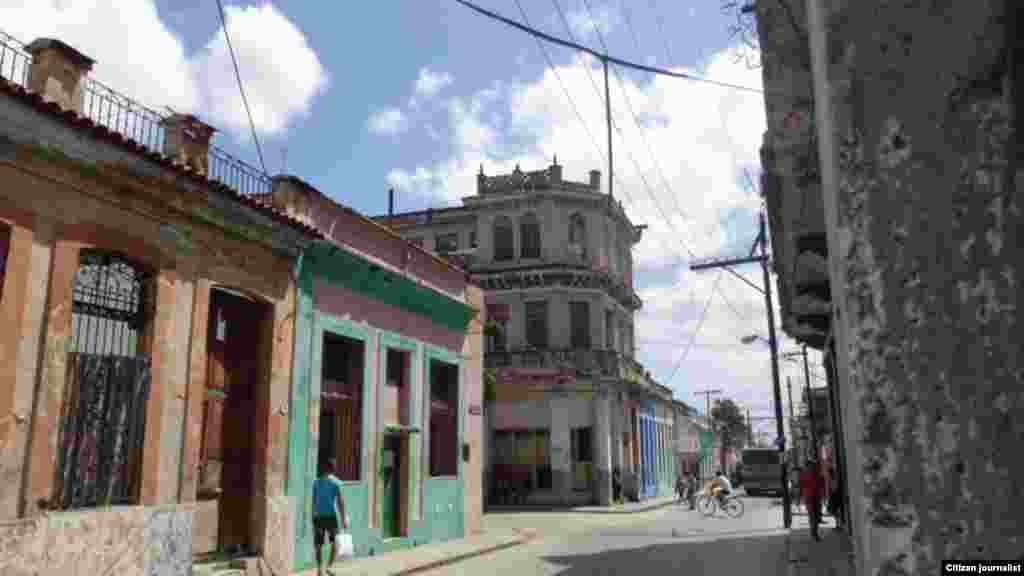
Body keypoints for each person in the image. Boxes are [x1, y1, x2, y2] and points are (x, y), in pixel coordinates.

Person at [313, 458, 348, 575]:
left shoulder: (316, 482)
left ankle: (319, 568)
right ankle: (329, 567)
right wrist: (344, 519)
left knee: (318, 544)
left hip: (318, 517)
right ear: (333, 468)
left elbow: (313, 501)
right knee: (335, 542)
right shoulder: (336, 482)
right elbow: (340, 502)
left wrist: (313, 515)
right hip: (331, 517)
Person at [799, 461, 822, 541]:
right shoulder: (804, 475)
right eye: (810, 467)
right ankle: (814, 533)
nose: (811, 468)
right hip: (809, 497)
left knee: (816, 515)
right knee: (812, 516)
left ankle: (814, 531)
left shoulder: (816, 473)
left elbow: (820, 484)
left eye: (812, 467)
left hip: (815, 496)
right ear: (807, 467)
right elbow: (801, 486)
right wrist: (800, 497)